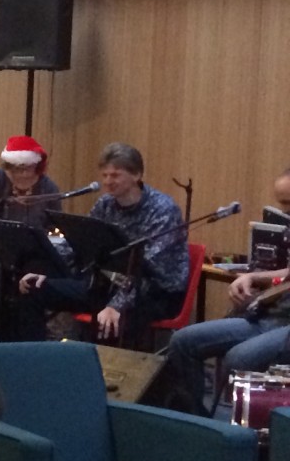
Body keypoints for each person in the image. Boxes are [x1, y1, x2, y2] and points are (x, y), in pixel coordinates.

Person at [18, 142, 187, 345]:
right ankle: (32, 355)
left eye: (115, 175)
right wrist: (46, 269)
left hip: (154, 293)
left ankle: (108, 364)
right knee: (34, 289)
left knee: (108, 322)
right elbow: (79, 243)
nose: (108, 182)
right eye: (104, 175)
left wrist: (116, 305)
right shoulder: (105, 204)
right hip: (107, 285)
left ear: (136, 175)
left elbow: (145, 270)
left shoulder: (163, 210)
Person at [161, 256, 290, 413]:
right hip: (269, 318)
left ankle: (245, 424)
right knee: (183, 342)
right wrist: (252, 277)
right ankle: (194, 420)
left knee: (239, 359)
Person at [0, 135, 62, 226]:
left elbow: (55, 225)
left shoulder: (49, 188)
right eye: (18, 169)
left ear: (37, 167)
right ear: (8, 169)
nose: (24, 174)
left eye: (29, 168)